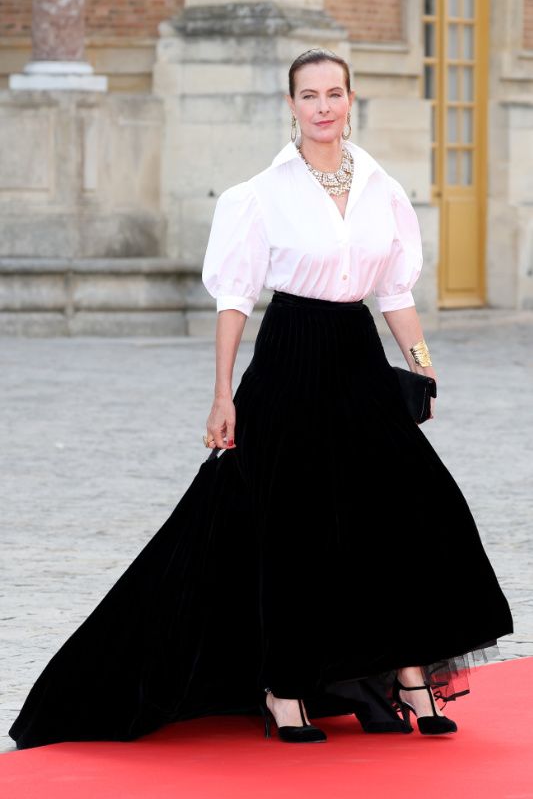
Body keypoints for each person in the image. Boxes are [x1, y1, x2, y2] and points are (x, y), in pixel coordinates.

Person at [9, 48, 513, 750]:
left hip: (358, 360)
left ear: (350, 98)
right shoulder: (259, 193)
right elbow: (234, 302)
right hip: (287, 362)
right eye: (308, 95)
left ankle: (407, 676)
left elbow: (393, 293)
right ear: (291, 105)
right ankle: (284, 689)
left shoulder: (381, 188)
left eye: (334, 92)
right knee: (292, 529)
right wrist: (221, 394)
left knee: (408, 510)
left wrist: (422, 368)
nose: (323, 107)